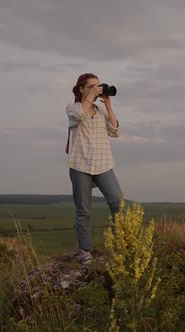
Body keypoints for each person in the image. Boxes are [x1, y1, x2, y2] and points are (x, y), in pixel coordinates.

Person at [66, 73, 122, 264]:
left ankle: (119, 244)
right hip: (80, 164)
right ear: (81, 89)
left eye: (99, 86)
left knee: (117, 202)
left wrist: (108, 105)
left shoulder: (101, 111)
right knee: (84, 211)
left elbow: (115, 131)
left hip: (103, 164)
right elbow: (79, 116)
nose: (98, 89)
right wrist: (90, 97)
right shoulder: (72, 108)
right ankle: (84, 250)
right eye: (92, 86)